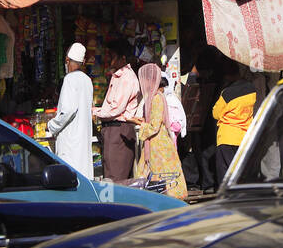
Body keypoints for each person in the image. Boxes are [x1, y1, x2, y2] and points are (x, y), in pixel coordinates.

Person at [130, 62, 188, 200]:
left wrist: (140, 124)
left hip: (157, 143)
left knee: (158, 173)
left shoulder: (156, 98)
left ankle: (160, 199)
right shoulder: (157, 97)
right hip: (158, 142)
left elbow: (154, 125)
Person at [92, 38, 141, 182]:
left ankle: (115, 203)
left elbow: (115, 109)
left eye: (112, 56)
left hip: (119, 129)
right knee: (110, 175)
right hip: (112, 130)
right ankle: (111, 202)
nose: (109, 59)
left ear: (122, 58)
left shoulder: (126, 78)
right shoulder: (117, 76)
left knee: (115, 177)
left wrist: (94, 112)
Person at [47, 42, 94, 178]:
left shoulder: (69, 79)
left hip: (70, 141)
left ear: (67, 60)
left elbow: (68, 111)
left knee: (69, 177)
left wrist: (51, 126)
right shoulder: (87, 80)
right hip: (82, 140)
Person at [213, 62, 257, 185]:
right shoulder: (251, 89)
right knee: (241, 170)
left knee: (226, 171)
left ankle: (227, 197)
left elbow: (216, 114)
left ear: (226, 76)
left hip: (227, 137)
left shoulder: (227, 93)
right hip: (244, 136)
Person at [181, 51, 218, 193]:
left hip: (202, 123)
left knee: (201, 152)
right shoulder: (200, 80)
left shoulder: (194, 81)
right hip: (200, 123)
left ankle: (204, 183)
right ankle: (205, 183)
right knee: (200, 152)